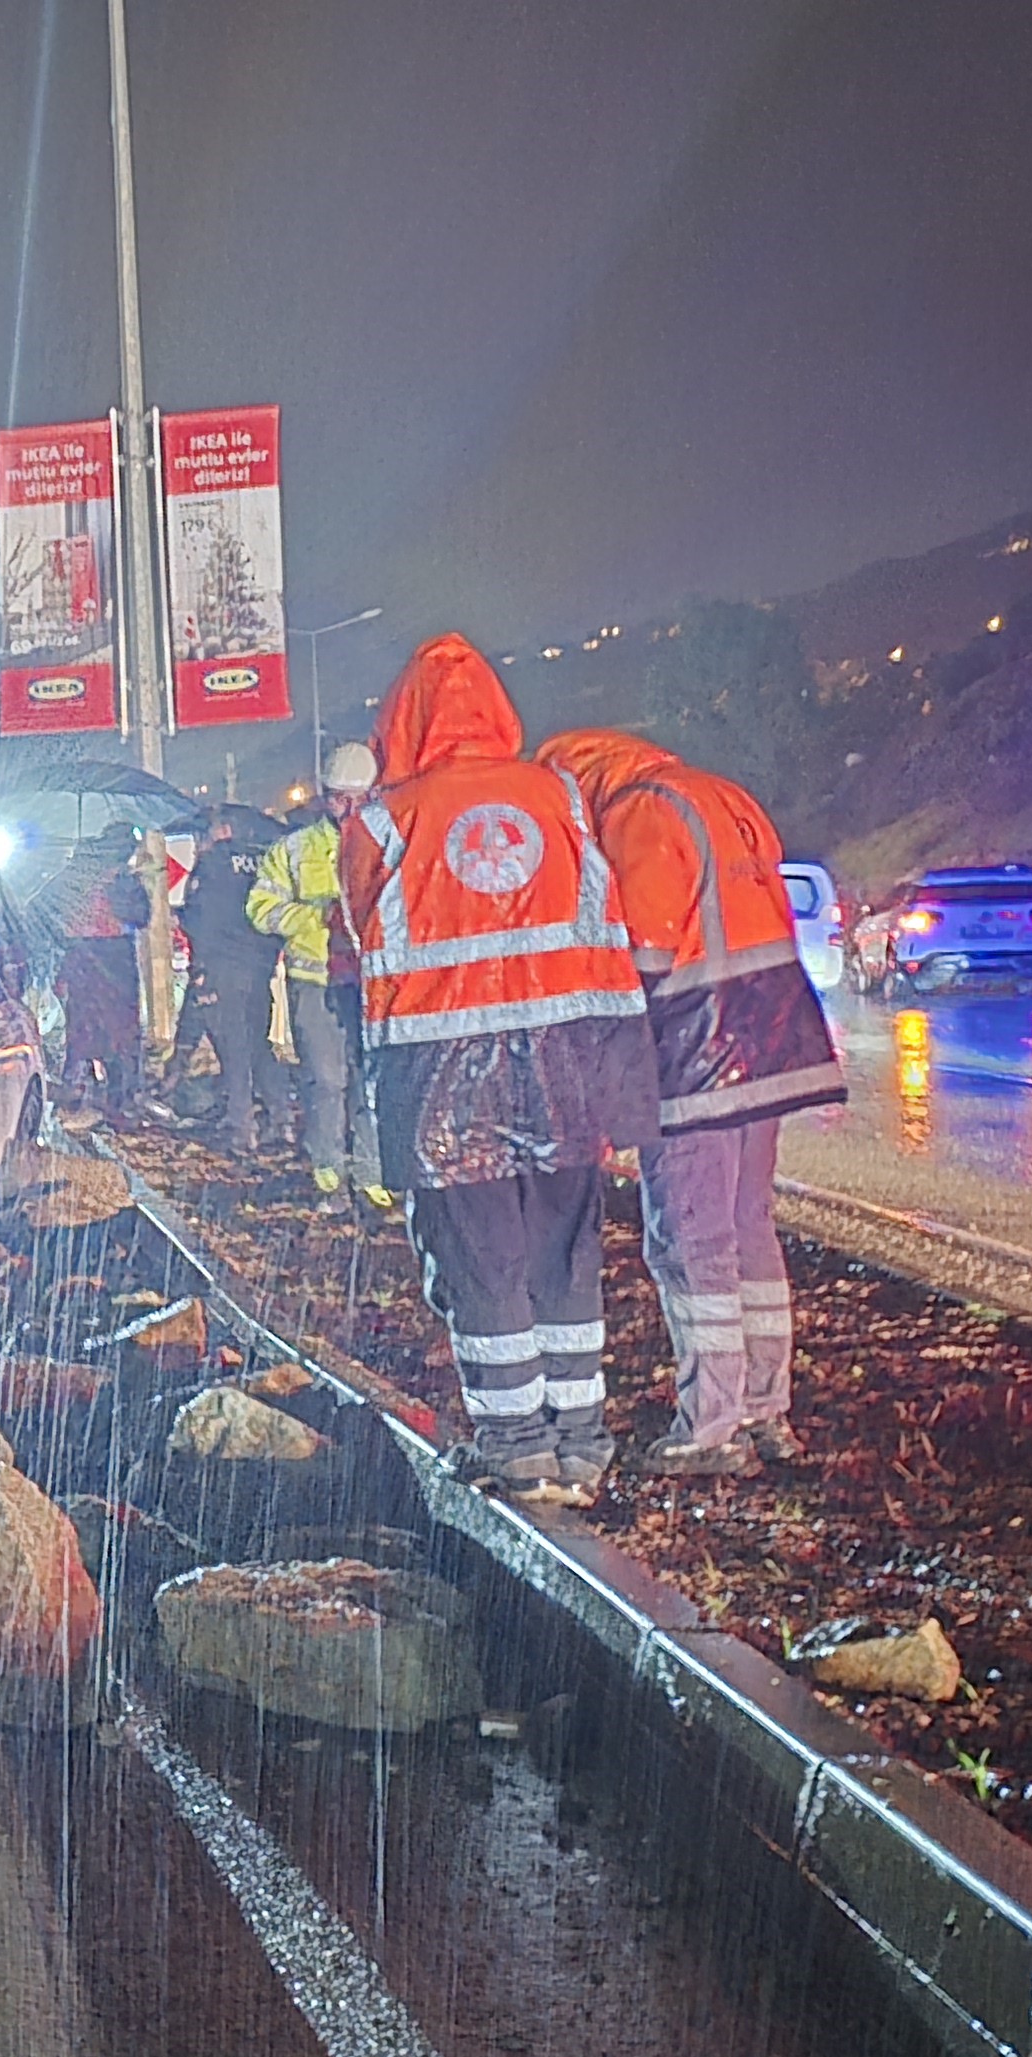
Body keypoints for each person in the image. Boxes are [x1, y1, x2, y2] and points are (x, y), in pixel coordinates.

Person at [341, 636, 659, 1502]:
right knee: (565, 1251)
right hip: (568, 1058)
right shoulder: (557, 793)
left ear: (401, 719)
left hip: (443, 1069)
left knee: (481, 1258)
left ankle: (516, 1443)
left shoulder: (383, 816)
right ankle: (583, 1440)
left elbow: (357, 929)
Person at [534, 729, 844, 1476]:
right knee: (748, 1233)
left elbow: (642, 950)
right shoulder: (722, 793)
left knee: (690, 1241)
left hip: (698, 1048)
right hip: (771, 1033)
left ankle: (710, 1427)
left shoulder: (639, 813)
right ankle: (768, 1409)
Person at [252, 744, 395, 1212]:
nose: (348, 809)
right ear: (324, 797)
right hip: (314, 981)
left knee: (368, 1081)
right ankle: (328, 1171)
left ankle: (372, 1173)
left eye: (358, 799)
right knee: (327, 1081)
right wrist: (315, 918)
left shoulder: (388, 842)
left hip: (372, 983)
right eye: (339, 798)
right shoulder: (294, 849)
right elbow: (261, 908)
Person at [172, 811, 285, 1157]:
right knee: (258, 1044)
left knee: (233, 1048)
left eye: (203, 835)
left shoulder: (213, 863)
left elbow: (200, 918)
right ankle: (282, 1121)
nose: (200, 842)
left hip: (223, 966)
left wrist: (185, 925)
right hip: (259, 966)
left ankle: (241, 1128)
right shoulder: (263, 859)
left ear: (222, 831)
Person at [53, 848, 152, 1124]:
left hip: (86, 953)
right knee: (116, 1030)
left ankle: (78, 1091)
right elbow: (142, 916)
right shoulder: (122, 880)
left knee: (86, 1028)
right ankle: (118, 1097)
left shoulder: (72, 880)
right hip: (111, 955)